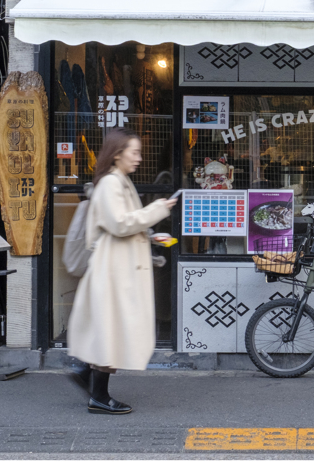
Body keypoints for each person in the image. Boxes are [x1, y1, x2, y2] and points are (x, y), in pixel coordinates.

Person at [66, 129, 177, 415]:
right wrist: (157, 209)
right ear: (117, 154)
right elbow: (119, 224)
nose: (139, 158)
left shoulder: (119, 181)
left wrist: (150, 236)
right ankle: (98, 395)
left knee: (111, 328)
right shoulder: (111, 183)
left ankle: (87, 375)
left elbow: (124, 223)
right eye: (134, 152)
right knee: (111, 329)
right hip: (113, 271)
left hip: (118, 268)